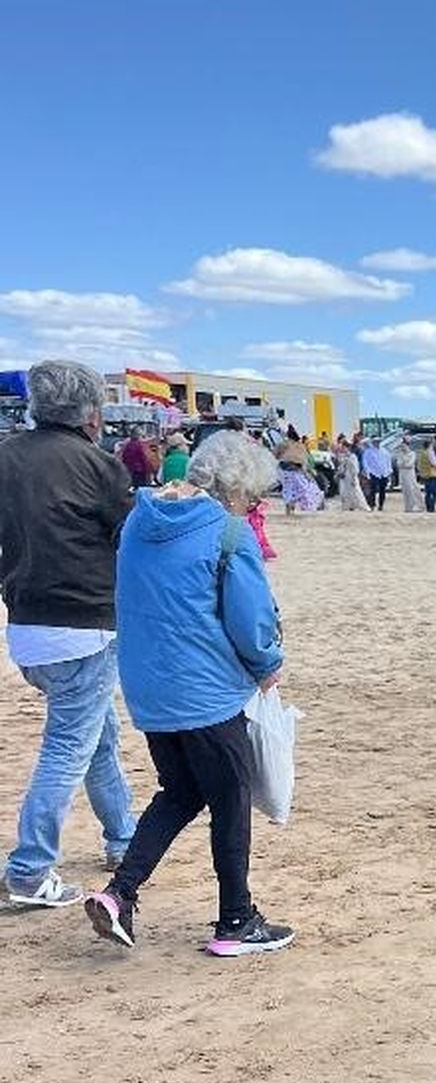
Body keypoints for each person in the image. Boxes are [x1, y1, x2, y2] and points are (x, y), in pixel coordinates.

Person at [83, 430, 293, 957]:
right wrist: (268, 664)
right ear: (237, 487)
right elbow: (250, 621)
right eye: (254, 494)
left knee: (179, 792)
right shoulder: (228, 532)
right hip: (206, 692)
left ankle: (118, 894)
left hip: (150, 689)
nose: (255, 504)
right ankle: (236, 920)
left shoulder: (140, 518)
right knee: (230, 799)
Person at [0, 359, 139, 908]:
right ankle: (30, 872)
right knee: (68, 746)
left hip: (27, 626)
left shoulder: (6, 456)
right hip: (86, 624)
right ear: (91, 413)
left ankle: (122, 836)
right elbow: (130, 540)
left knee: (94, 734)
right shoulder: (98, 466)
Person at [360, 434, 394, 511]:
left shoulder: (385, 451)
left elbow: (388, 461)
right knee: (373, 490)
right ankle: (372, 504)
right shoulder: (368, 452)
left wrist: (389, 471)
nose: (377, 443)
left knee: (383, 490)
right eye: (375, 441)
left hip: (383, 473)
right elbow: (365, 463)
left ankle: (381, 505)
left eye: (378, 441)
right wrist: (368, 471)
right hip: (373, 473)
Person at [335, 437, 367, 512]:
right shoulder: (342, 456)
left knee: (356, 492)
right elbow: (340, 467)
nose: (342, 448)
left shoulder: (352, 457)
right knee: (344, 493)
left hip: (350, 476)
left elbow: (355, 469)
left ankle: (362, 507)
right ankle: (347, 507)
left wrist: (353, 478)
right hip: (344, 477)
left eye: (343, 447)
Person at [396, 437, 424, 514]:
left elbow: (410, 464)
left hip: (410, 475)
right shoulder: (400, 454)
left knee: (413, 490)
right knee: (405, 491)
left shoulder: (412, 454)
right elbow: (399, 464)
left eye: (404, 446)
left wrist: (404, 462)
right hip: (403, 474)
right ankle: (408, 506)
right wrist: (403, 462)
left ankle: (416, 506)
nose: (402, 448)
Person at [416, 438, 436, 514]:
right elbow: (434, 463)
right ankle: (431, 507)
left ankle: (428, 507)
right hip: (432, 474)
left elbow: (419, 465)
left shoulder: (422, 453)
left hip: (425, 474)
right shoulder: (430, 453)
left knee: (427, 492)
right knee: (434, 492)